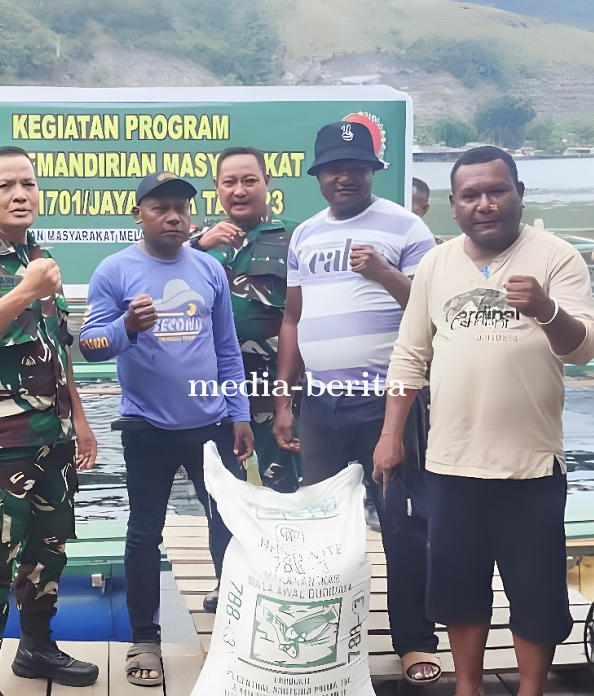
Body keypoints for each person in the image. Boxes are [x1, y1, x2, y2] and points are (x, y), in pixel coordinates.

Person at [375, 147, 594, 696]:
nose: (485, 203)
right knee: (458, 590)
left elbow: (585, 350)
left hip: (531, 464)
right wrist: (389, 436)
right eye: (470, 195)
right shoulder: (436, 262)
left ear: (518, 193)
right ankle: (468, 687)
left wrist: (547, 309)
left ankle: (529, 689)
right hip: (451, 461)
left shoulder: (556, 256)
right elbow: (410, 354)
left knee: (537, 594)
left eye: (496, 190)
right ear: (453, 205)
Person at [272, 120, 442, 686]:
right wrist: (285, 399)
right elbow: (293, 318)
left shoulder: (407, 226)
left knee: (402, 522)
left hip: (387, 402)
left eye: (356, 166)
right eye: (333, 168)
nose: (345, 176)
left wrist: (383, 272)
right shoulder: (304, 235)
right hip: (321, 403)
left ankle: (414, 640)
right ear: (319, 176)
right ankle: (325, 638)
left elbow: (432, 310)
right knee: (324, 524)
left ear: (373, 171)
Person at [79, 170, 254, 687]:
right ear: (139, 215)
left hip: (212, 423)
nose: (174, 216)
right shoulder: (114, 271)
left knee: (228, 525)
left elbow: (226, 348)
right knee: (144, 532)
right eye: (160, 208)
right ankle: (144, 639)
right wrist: (125, 328)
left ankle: (233, 624)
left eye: (181, 207)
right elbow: (89, 345)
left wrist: (239, 413)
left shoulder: (208, 269)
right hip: (147, 426)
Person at [0, 146, 100, 695]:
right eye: (5, 185)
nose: (20, 193)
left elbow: (57, 352)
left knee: (48, 550)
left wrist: (80, 421)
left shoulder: (42, 256)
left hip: (51, 440)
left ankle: (36, 651)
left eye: (27, 183)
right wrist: (25, 290)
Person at [188, 146, 301, 496]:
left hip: (275, 387)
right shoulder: (195, 243)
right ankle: (231, 552)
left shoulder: (297, 236)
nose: (239, 190)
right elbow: (156, 279)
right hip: (213, 390)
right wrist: (196, 246)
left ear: (267, 182)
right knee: (220, 491)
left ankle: (286, 550)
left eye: (250, 181)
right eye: (229, 182)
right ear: (216, 188)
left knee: (283, 486)